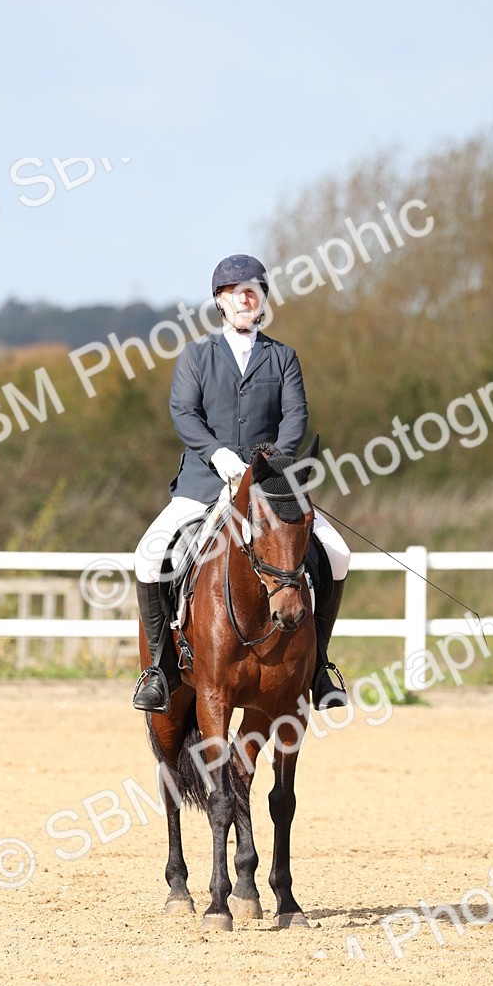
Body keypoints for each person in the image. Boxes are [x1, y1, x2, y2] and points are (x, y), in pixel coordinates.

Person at [132, 253, 350, 713]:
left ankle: (319, 665)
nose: (245, 299)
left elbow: (296, 416)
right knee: (148, 558)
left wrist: (269, 465)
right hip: (203, 483)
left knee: (337, 552)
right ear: (220, 301)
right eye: (236, 293)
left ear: (264, 299)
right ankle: (159, 670)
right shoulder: (196, 356)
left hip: (269, 486)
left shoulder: (283, 357)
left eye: (253, 291)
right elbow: (184, 413)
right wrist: (217, 454)